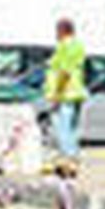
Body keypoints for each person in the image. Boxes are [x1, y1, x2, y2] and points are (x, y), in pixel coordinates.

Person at [43, 18, 87, 176]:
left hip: (65, 94)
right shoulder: (78, 46)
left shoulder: (64, 47)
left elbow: (64, 72)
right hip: (77, 92)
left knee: (63, 129)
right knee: (72, 129)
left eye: (57, 31)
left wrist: (57, 95)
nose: (56, 35)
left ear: (62, 31)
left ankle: (68, 161)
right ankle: (72, 160)